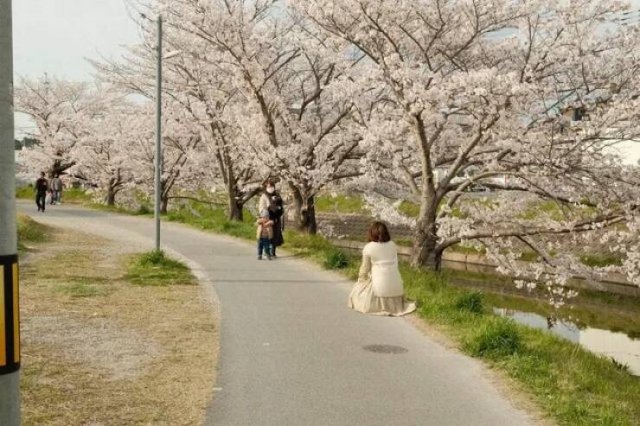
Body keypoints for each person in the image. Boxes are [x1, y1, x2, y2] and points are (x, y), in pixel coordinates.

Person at [348, 221, 416, 316]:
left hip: (379, 289)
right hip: (397, 287)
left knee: (356, 293)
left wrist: (361, 283)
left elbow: (364, 269)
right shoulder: (393, 245)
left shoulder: (369, 247)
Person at [258, 180, 285, 257]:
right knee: (267, 234)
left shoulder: (277, 195)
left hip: (276, 218)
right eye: (269, 187)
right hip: (267, 218)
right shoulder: (264, 196)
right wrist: (265, 215)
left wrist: (279, 210)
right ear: (266, 187)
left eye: (272, 186)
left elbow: (281, 205)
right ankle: (266, 250)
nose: (270, 188)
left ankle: (273, 251)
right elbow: (262, 207)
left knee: (276, 234)